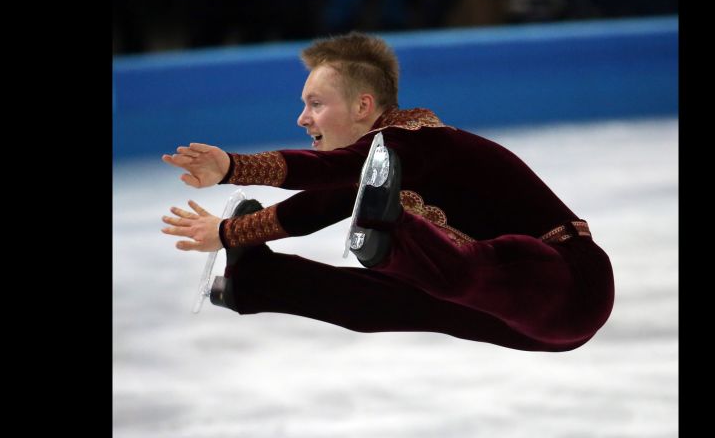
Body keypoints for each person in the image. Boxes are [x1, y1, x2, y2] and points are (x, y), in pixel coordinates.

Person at [161, 32, 614, 352]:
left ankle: (392, 235)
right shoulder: (374, 175)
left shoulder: (416, 140)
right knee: (377, 303)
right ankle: (257, 282)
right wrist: (229, 234)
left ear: (363, 106)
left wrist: (235, 167)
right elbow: (311, 209)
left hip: (570, 286)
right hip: (516, 322)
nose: (302, 118)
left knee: (481, 267)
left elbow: (331, 168)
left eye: (315, 104)